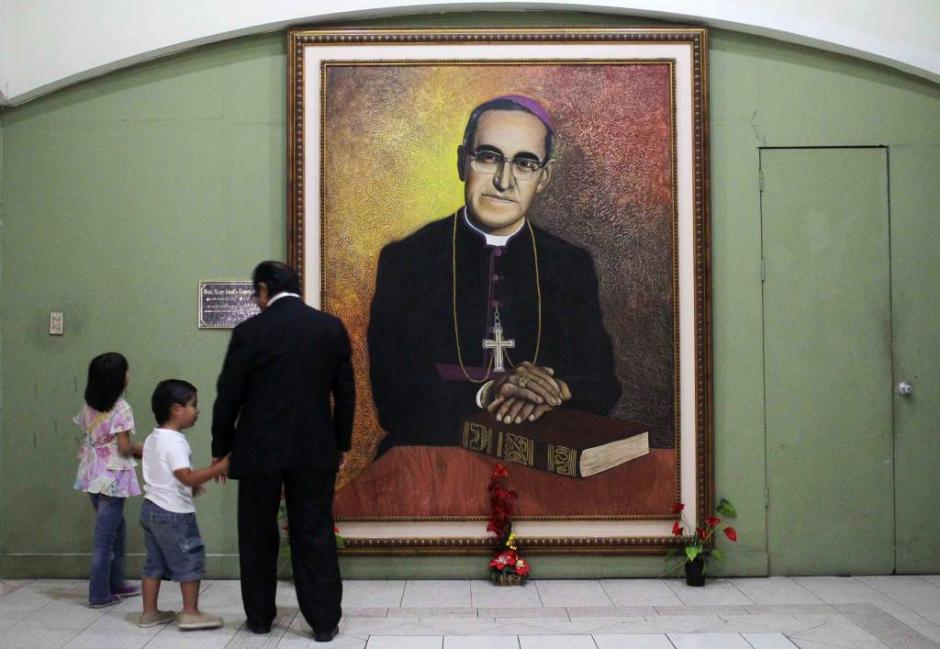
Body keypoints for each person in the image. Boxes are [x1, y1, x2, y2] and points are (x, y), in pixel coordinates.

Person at [368, 95, 621, 457]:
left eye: (524, 163)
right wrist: (489, 393)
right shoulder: (407, 260)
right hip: (431, 457)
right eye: (488, 157)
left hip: (542, 460)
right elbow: (393, 400)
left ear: (544, 177)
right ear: (462, 162)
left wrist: (553, 390)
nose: (504, 180)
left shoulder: (569, 264)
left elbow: (603, 385)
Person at [211, 260, 355, 642]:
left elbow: (229, 395)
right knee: (314, 530)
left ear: (263, 289)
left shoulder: (249, 332)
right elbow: (345, 393)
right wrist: (342, 442)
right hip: (315, 446)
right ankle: (324, 621)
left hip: (258, 449)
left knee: (257, 532)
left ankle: (259, 617)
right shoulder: (329, 328)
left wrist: (220, 446)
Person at [138, 380, 229, 630]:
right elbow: (185, 476)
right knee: (190, 558)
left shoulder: (154, 437)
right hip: (174, 514)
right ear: (177, 409)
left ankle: (149, 613)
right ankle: (190, 612)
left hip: (151, 509)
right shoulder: (175, 441)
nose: (197, 411)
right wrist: (217, 469)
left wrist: (191, 485)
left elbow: (168, 473)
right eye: (193, 405)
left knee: (153, 563)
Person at [73, 352, 143, 608]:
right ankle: (99, 593)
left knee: (117, 529)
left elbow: (94, 438)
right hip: (112, 477)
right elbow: (124, 447)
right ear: (118, 380)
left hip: (91, 473)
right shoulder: (121, 408)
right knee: (105, 537)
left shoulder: (89, 406)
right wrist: (143, 448)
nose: (129, 375)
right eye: (126, 371)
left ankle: (116, 582)